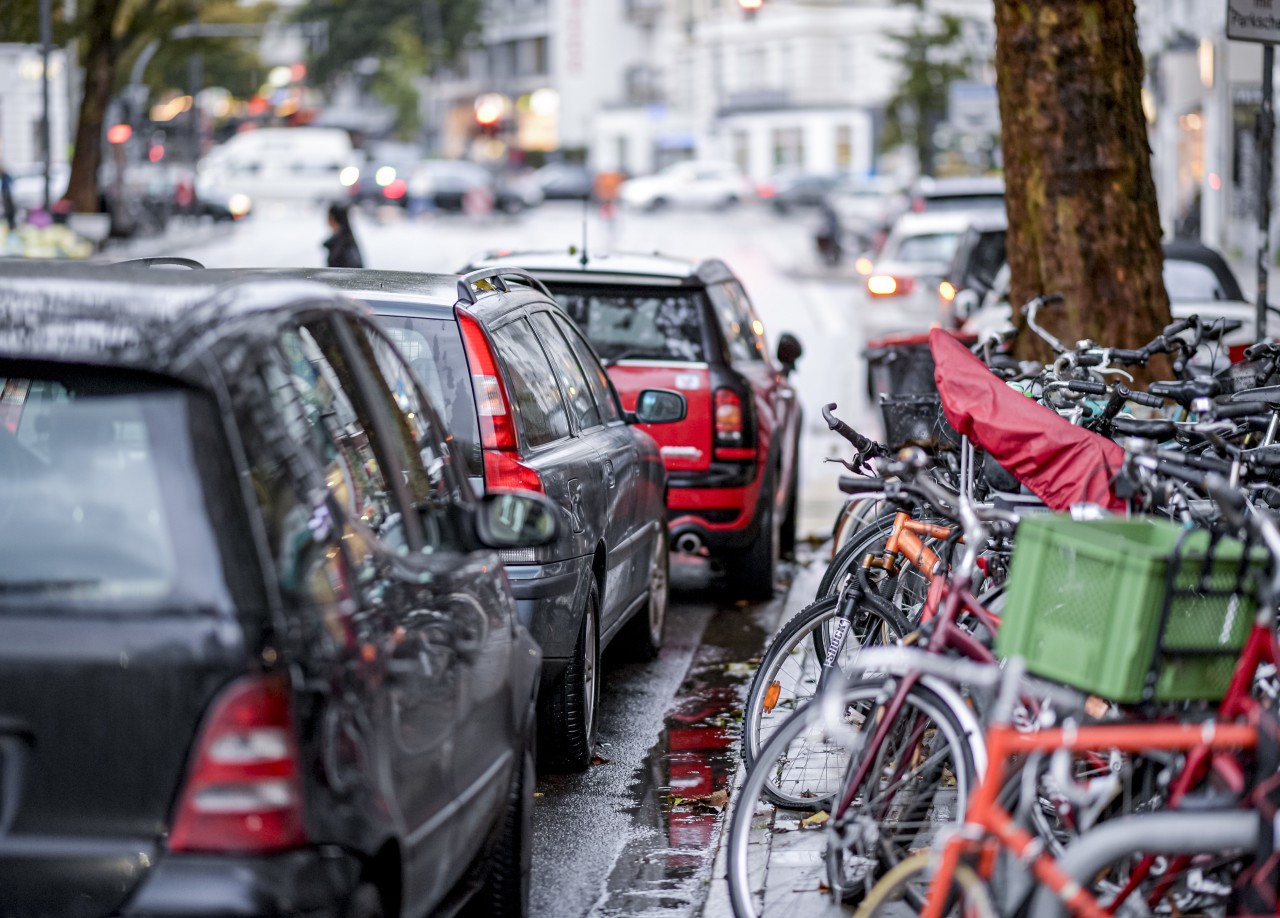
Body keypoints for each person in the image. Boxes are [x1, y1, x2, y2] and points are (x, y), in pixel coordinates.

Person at [323, 203, 363, 268]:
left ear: (333, 218)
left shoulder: (346, 244)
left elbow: (353, 269)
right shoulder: (340, 240)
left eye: (329, 216)